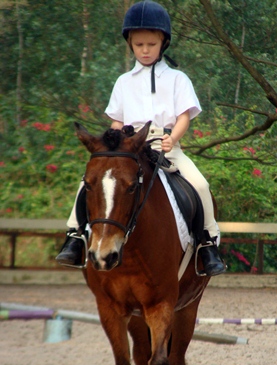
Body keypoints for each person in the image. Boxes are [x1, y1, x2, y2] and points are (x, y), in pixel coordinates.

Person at [56, 0, 225, 276]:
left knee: (201, 185)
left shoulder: (178, 79)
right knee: (89, 183)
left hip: (166, 146)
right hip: (129, 149)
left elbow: (184, 116)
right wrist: (114, 142)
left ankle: (207, 244)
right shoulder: (124, 81)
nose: (145, 50)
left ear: (163, 43)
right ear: (131, 44)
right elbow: (117, 121)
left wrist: (173, 137)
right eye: (139, 45)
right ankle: (75, 237)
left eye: (151, 44)